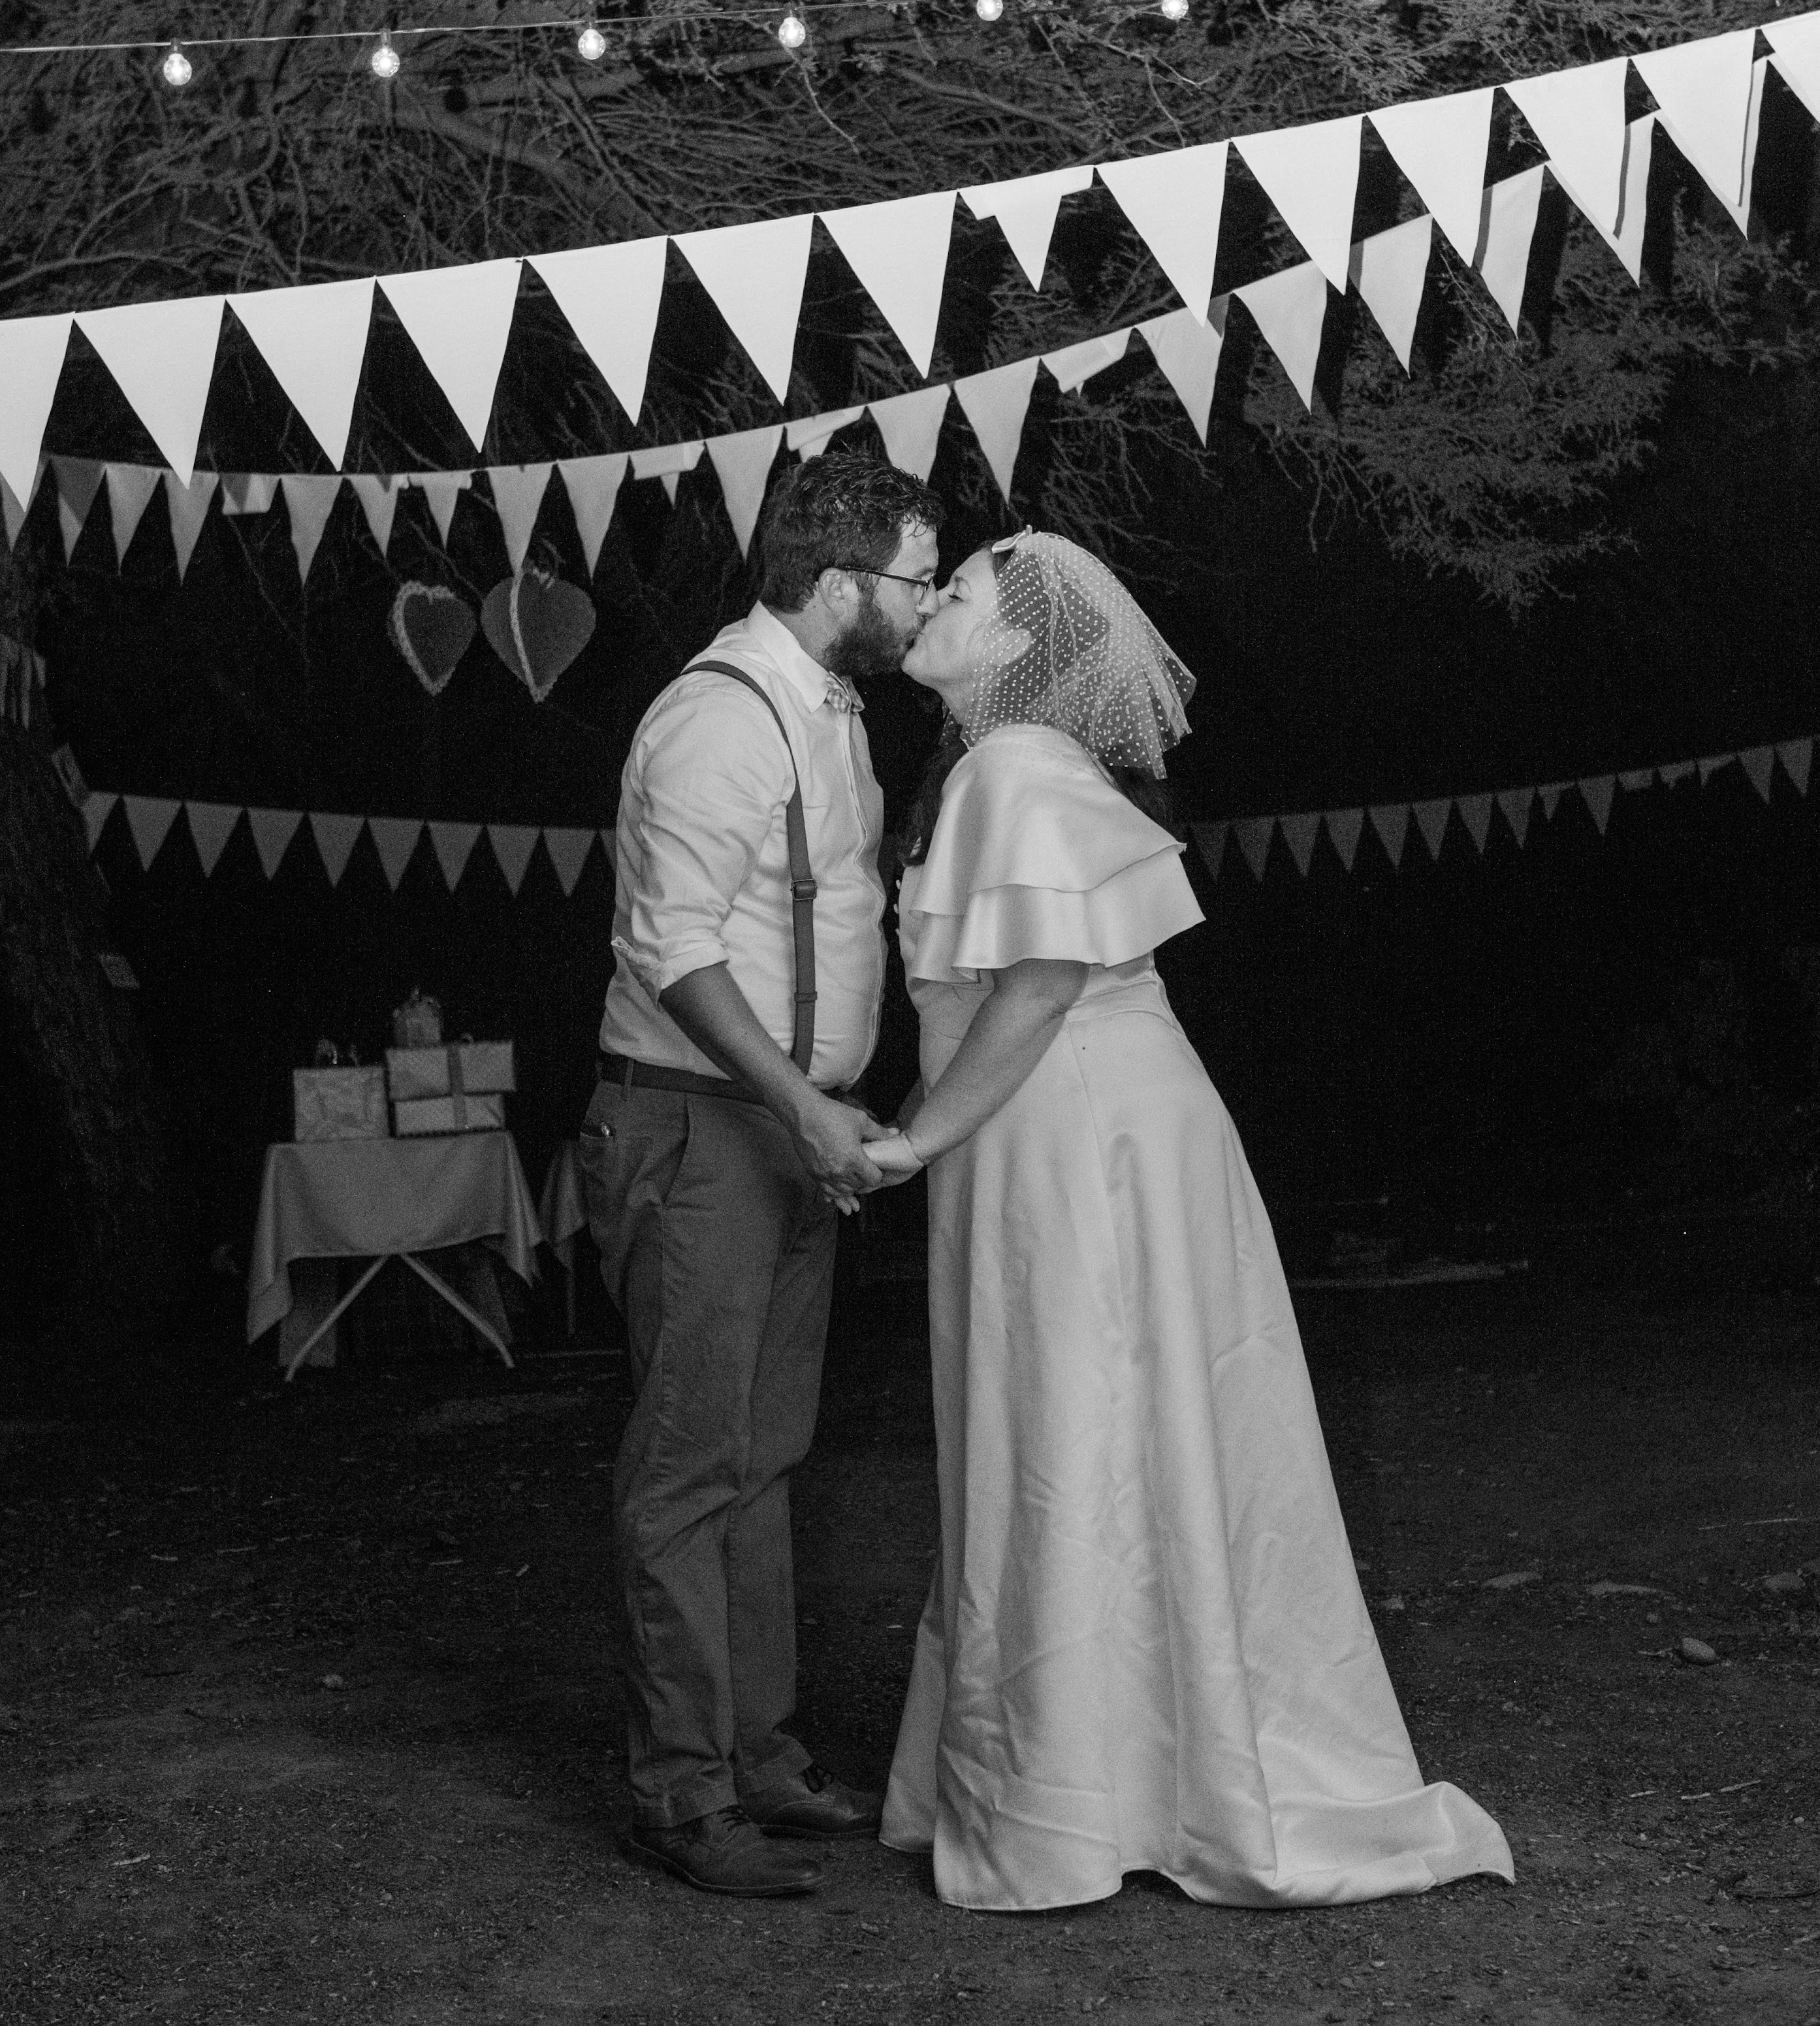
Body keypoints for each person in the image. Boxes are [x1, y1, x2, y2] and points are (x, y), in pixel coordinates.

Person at [861, 530, 1514, 1914]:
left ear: (1017, 647)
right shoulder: (1005, 767)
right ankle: (1122, 1766)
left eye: (957, 591)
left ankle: (1078, 1795)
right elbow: (989, 997)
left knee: (1073, 1424)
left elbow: (1042, 980)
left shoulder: (1014, 767)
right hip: (1062, 1120)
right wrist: (922, 1129)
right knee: (1097, 1428)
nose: (930, 603)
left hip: (1076, 1127)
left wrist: (915, 1137)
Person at [580, 451, 944, 1898]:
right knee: (687, 1466)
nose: (926, 605)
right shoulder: (718, 718)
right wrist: (801, 1105)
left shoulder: (833, 710)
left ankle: (759, 1754)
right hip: (700, 1129)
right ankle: (679, 1795)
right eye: (916, 579)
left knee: (766, 1452)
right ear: (842, 583)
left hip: (788, 1126)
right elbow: (669, 950)